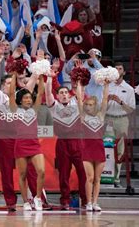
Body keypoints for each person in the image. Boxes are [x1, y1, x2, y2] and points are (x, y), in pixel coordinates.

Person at [45, 78, 87, 210]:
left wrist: (80, 79)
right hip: (62, 142)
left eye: (65, 92)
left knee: (83, 172)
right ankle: (65, 201)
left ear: (69, 95)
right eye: (61, 93)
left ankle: (86, 200)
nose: (63, 94)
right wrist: (50, 78)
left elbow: (81, 95)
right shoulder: (54, 107)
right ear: (57, 96)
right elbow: (47, 93)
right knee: (64, 174)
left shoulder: (75, 103)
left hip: (77, 141)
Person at [9, 72, 45, 211]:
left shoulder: (34, 110)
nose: (29, 100)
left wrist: (41, 76)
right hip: (21, 145)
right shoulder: (15, 110)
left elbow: (40, 93)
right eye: (25, 98)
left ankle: (37, 198)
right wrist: (13, 74)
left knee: (41, 171)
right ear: (20, 100)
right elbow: (11, 93)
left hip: (34, 145)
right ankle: (25, 202)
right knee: (22, 175)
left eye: (30, 98)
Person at [76, 79, 109, 212]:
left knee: (97, 178)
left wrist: (106, 84)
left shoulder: (101, 116)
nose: (88, 106)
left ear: (95, 106)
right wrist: (78, 83)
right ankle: (88, 202)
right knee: (89, 177)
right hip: (87, 151)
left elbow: (105, 99)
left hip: (99, 150)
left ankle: (95, 202)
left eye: (91, 104)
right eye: (87, 104)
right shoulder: (83, 116)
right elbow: (79, 99)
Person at [105, 63, 136, 187]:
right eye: (116, 69)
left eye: (120, 69)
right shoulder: (107, 86)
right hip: (108, 119)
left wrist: (120, 101)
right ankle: (107, 177)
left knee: (120, 150)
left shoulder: (128, 89)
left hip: (122, 119)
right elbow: (100, 106)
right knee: (108, 147)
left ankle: (116, 179)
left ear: (124, 72)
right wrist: (106, 100)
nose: (118, 71)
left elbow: (131, 110)